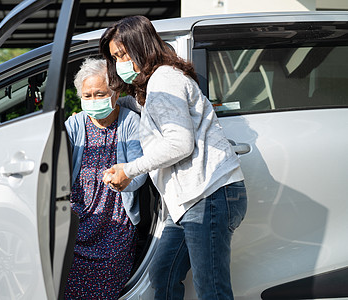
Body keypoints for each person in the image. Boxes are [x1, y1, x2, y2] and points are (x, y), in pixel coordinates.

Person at [99, 16, 248, 299]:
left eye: (122, 54)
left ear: (140, 46)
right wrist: (113, 101)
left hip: (209, 196)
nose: (119, 63)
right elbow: (150, 109)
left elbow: (179, 143)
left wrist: (129, 169)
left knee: (212, 290)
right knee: (163, 274)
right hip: (190, 202)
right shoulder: (157, 84)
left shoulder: (165, 80)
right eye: (115, 57)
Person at [63, 57, 147, 299]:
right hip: (78, 219)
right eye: (87, 96)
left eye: (99, 94)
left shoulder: (130, 121)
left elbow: (140, 171)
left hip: (115, 224)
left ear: (115, 92)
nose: (93, 101)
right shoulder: (75, 123)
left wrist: (126, 178)